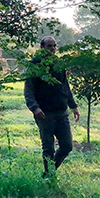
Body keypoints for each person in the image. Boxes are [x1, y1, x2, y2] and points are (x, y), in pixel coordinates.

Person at [24, 36, 80, 176]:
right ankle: (48, 176)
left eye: (55, 46)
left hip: (61, 112)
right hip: (45, 113)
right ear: (42, 48)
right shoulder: (35, 65)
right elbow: (29, 90)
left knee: (67, 146)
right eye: (50, 46)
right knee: (48, 148)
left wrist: (73, 106)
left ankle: (49, 172)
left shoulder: (58, 65)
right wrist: (35, 108)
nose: (53, 49)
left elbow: (65, 87)